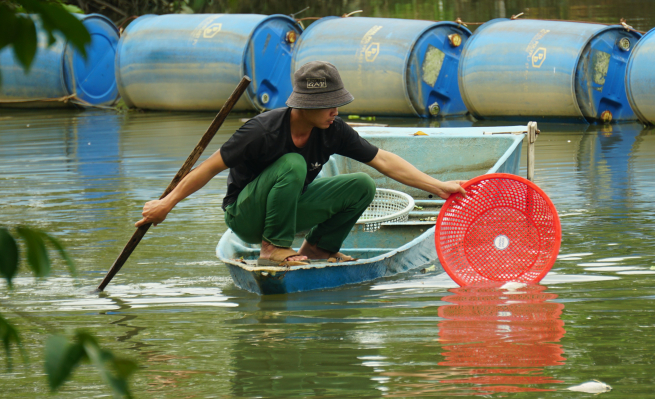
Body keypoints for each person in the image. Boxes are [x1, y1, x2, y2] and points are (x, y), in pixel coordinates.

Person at [136, 61, 466, 266]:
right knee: (292, 163)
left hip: (288, 210)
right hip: (246, 215)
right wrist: (166, 204)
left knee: (362, 185)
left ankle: (319, 250)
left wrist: (439, 187)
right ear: (303, 105)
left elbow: (383, 160)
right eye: (327, 105)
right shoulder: (262, 131)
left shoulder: (332, 129)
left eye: (337, 103)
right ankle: (273, 249)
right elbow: (208, 168)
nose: (334, 111)